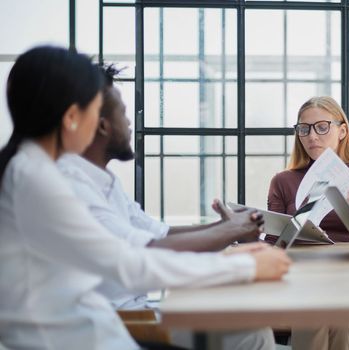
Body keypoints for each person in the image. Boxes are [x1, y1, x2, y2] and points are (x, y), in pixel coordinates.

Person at [0, 46, 290, 350]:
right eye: (95, 108)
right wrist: (245, 266)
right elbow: (128, 264)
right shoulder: (38, 179)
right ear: (73, 117)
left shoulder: (28, 170)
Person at [57, 65, 266, 311]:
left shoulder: (106, 182)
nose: (129, 122)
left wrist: (229, 228)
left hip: (136, 311)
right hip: (123, 321)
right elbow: (146, 251)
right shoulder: (74, 186)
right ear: (102, 125)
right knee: (247, 333)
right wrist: (234, 233)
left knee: (245, 330)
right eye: (123, 113)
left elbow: (159, 233)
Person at [267, 96, 349, 350]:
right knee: (321, 307)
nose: (311, 136)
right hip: (300, 282)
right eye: (303, 129)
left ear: (342, 131)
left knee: (331, 307)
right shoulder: (283, 181)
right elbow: (274, 246)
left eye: (321, 127)